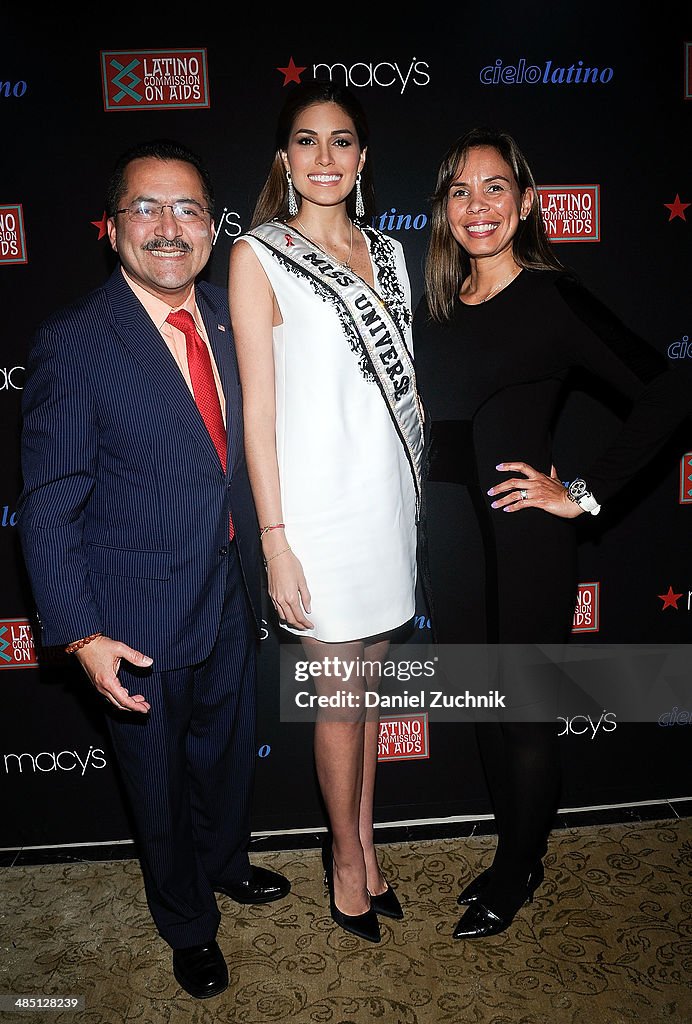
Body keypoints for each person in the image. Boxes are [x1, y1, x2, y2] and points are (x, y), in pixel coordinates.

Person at [17, 139, 290, 999]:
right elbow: (50, 503)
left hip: (229, 599)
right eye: (148, 209)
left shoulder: (230, 314)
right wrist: (82, 633)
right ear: (113, 227)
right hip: (130, 616)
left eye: (188, 211)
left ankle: (227, 864)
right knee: (158, 782)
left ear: (214, 228)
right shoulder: (74, 342)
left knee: (224, 763)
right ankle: (186, 922)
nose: (169, 229)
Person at [413, 127, 691, 939]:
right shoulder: (433, 307)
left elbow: (669, 389)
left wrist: (583, 490)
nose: (477, 206)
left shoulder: (554, 295)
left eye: (495, 187)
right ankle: (519, 848)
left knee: (525, 711)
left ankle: (516, 868)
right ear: (444, 210)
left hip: (523, 536)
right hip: (454, 542)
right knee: (485, 706)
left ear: (526, 202)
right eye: (460, 191)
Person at [229, 80, 424, 944]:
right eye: (305, 141)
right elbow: (258, 417)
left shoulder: (390, 254)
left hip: (386, 507)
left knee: (371, 692)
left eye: (341, 141)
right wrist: (277, 543)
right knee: (340, 702)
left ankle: (366, 849)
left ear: (363, 157)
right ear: (284, 157)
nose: (324, 158)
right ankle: (344, 863)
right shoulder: (256, 254)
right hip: (314, 518)